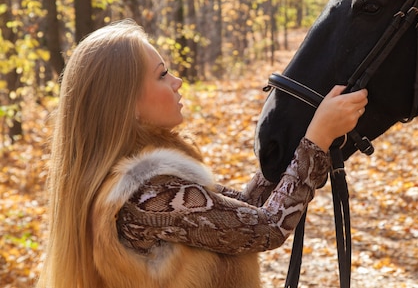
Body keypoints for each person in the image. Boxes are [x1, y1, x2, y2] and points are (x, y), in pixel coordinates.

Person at [37, 19, 368, 288]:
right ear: (127, 106)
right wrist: (317, 140)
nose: (177, 81)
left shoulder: (138, 185)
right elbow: (266, 228)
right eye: (162, 75)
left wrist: (298, 140)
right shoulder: (148, 192)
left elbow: (244, 213)